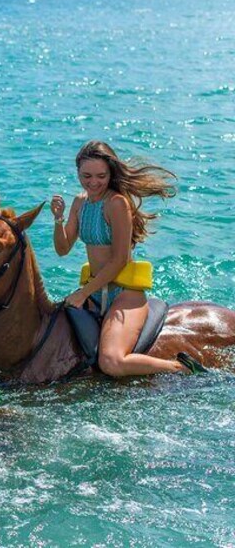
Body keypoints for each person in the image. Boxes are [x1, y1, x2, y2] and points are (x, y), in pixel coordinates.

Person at [51, 140, 205, 376]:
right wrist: (58, 219)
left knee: (111, 362)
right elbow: (62, 249)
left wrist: (81, 294)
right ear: (78, 173)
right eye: (86, 176)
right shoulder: (80, 202)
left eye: (101, 176)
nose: (93, 182)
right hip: (94, 292)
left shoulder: (117, 204)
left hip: (124, 295)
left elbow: (119, 260)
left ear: (111, 173)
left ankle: (181, 368)